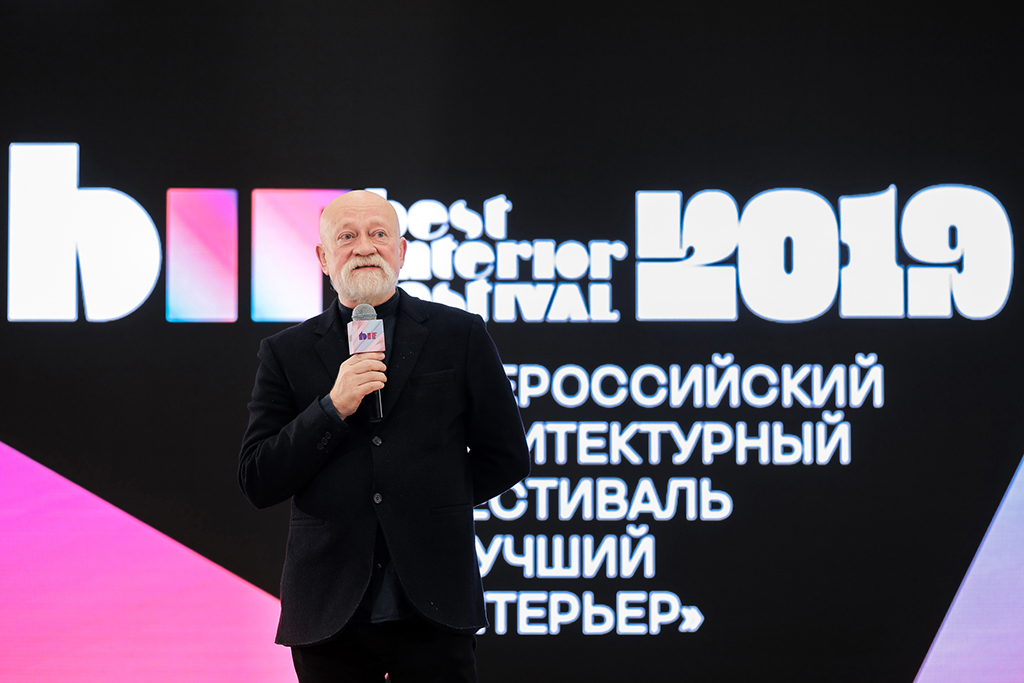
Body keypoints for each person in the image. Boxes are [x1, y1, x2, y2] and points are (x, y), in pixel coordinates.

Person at [238, 190, 530, 682]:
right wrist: (332, 408)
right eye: (347, 237)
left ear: (401, 251)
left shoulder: (459, 334)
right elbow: (258, 477)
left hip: (434, 600)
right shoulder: (286, 352)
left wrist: (429, 500)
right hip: (328, 607)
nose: (364, 247)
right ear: (323, 258)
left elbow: (506, 456)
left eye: (378, 234)